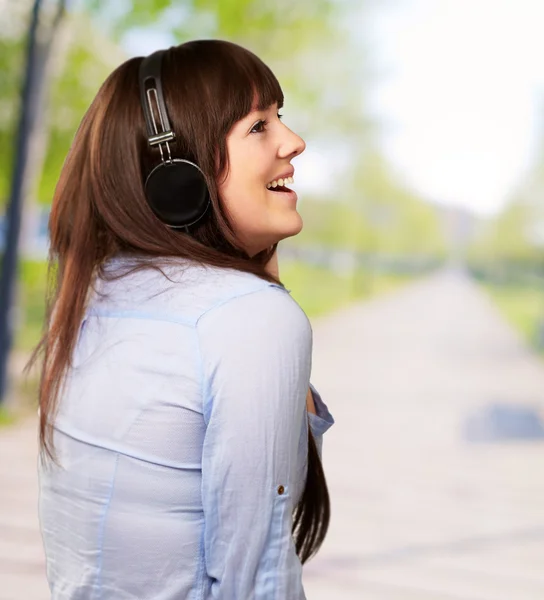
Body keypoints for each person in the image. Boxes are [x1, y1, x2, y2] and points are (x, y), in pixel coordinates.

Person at [33, 39, 335, 599]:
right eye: (258, 127)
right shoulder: (247, 319)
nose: (293, 142)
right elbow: (257, 583)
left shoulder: (98, 293)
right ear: (177, 175)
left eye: (280, 118)